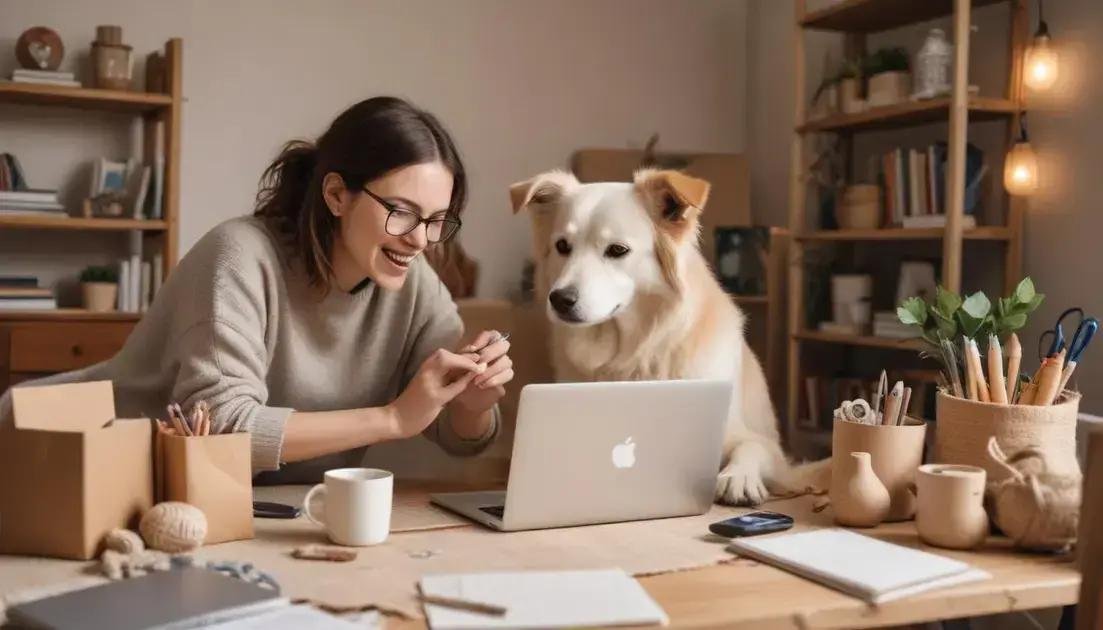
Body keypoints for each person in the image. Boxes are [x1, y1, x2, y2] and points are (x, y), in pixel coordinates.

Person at [0, 96, 512, 483]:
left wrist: (471, 401)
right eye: (401, 212)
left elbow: (457, 438)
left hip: (243, 502)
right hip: (70, 463)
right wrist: (392, 418)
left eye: (437, 221)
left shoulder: (414, 286)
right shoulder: (240, 257)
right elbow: (219, 431)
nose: (420, 239)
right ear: (336, 194)